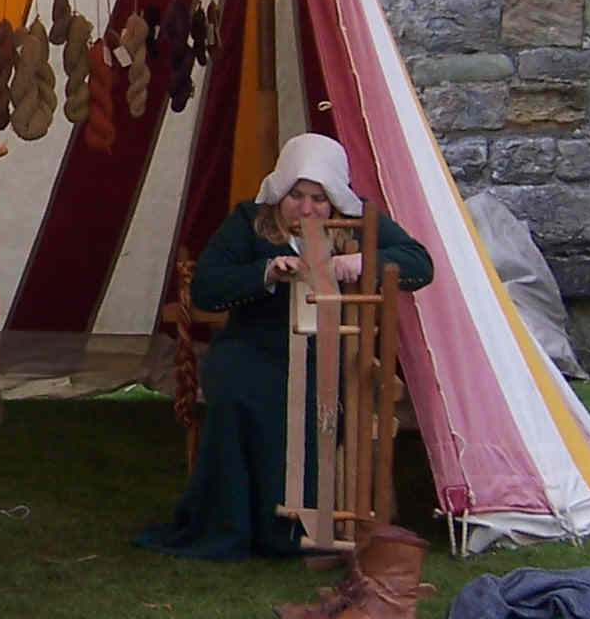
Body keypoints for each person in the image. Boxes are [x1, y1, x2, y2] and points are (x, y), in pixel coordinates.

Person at [137, 133, 433, 563]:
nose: (308, 208)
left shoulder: (359, 219)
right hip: (254, 344)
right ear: (281, 191)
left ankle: (300, 529)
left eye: (318, 197)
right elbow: (207, 287)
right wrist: (267, 272)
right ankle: (240, 525)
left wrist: (362, 261)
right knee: (241, 394)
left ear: (335, 198)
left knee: (322, 403)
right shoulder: (249, 220)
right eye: (297, 195)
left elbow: (420, 263)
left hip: (328, 350)